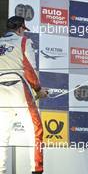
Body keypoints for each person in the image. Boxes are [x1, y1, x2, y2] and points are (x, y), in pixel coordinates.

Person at [0, 16, 47, 174]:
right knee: (36, 129)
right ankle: (36, 170)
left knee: (2, 135)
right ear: (20, 28)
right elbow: (29, 70)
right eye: (23, 30)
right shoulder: (24, 41)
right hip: (18, 87)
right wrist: (38, 89)